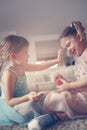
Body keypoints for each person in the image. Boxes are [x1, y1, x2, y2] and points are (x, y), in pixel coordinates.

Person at [0, 35, 62, 129]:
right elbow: (9, 101)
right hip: (14, 107)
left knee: (47, 95)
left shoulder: (22, 66)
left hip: (27, 98)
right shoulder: (9, 74)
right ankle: (44, 119)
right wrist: (28, 97)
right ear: (13, 56)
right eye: (25, 52)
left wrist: (57, 60)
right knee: (31, 105)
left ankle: (45, 114)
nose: (28, 55)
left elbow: (41, 66)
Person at [42, 21, 87, 121]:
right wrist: (66, 82)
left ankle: (57, 116)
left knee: (61, 97)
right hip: (82, 95)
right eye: (65, 49)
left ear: (79, 37)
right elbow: (81, 82)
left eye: (68, 45)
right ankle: (58, 116)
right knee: (54, 95)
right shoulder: (79, 59)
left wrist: (70, 86)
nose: (69, 51)